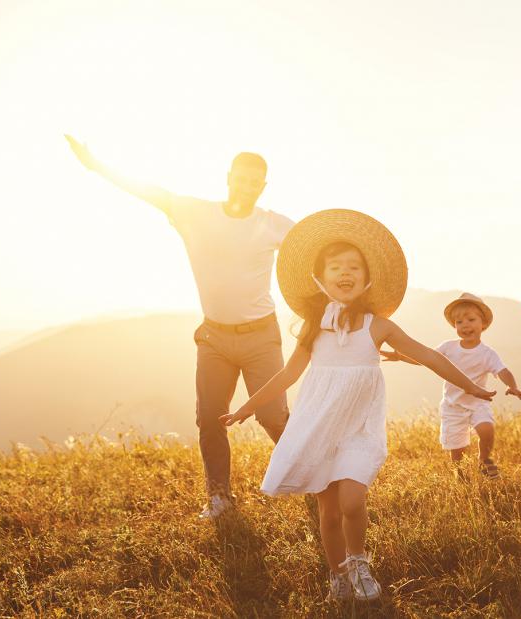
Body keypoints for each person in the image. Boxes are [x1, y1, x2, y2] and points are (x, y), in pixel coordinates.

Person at [220, 209, 494, 601]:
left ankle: (359, 560)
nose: (345, 273)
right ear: (320, 278)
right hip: (319, 428)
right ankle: (338, 576)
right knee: (328, 512)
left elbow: (429, 356)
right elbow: (286, 377)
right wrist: (246, 408)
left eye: (353, 267)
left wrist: (473, 387)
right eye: (335, 267)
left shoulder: (376, 325)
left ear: (367, 279)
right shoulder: (315, 329)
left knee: (352, 499)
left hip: (358, 430)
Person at [65, 136, 294, 520]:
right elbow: (149, 192)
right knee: (209, 417)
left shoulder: (274, 224)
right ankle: (219, 497)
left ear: (263, 186)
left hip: (261, 336)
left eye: (255, 182)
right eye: (241, 178)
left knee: (273, 416)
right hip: (215, 338)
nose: (247, 186)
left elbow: (317, 248)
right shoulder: (196, 212)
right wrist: (96, 165)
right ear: (228, 178)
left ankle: (308, 476)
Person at [382, 292, 521, 479]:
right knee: (457, 449)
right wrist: (401, 357)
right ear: (454, 326)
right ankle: (460, 478)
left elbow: (503, 371)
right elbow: (426, 359)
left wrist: (512, 386)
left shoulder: (487, 353)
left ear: (483, 324)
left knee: (486, 429)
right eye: (459, 322)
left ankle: (484, 460)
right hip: (453, 405)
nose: (465, 325)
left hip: (478, 402)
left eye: (471, 319)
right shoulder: (448, 347)